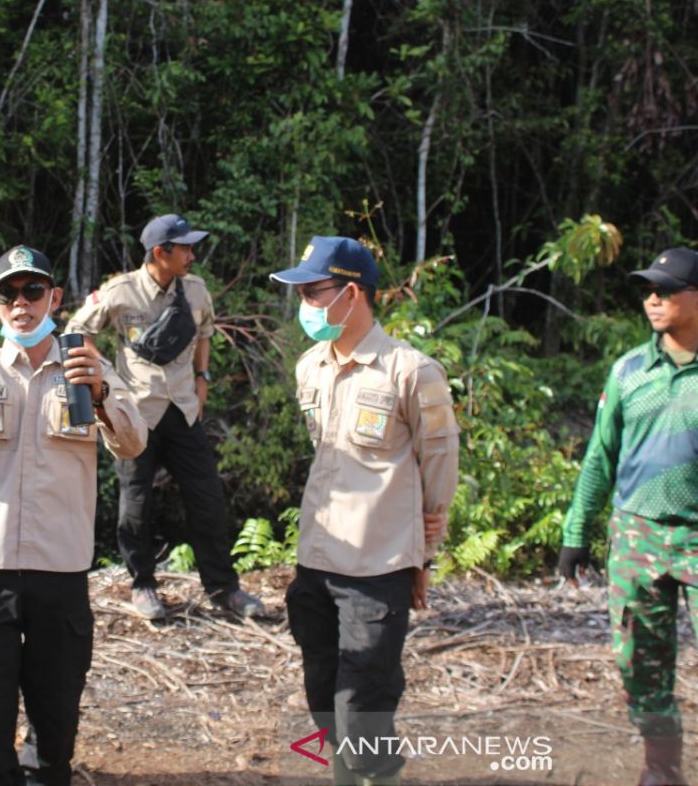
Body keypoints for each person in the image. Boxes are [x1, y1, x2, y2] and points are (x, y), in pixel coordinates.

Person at [0, 245, 147, 786]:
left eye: (33, 291)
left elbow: (133, 444)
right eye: (9, 295)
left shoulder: (89, 366)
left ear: (54, 298)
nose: (22, 304)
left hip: (60, 571)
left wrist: (103, 393)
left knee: (55, 718)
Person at [271, 236, 459, 786]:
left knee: (364, 704)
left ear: (352, 293)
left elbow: (439, 462)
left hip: (378, 568)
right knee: (322, 692)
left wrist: (424, 554)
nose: (305, 305)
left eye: (313, 292)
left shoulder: (411, 371)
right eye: (301, 293)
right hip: (317, 559)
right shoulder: (311, 367)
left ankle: (377, 776)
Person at [63, 213, 264, 620]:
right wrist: (101, 378)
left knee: (207, 499)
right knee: (135, 504)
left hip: (184, 409)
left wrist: (203, 379)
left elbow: (205, 331)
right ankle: (143, 585)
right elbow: (76, 328)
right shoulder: (121, 292)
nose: (192, 254)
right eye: (185, 247)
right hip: (136, 413)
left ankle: (224, 589)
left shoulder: (195, 290)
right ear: (161, 252)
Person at [558, 247, 698, 786]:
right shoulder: (629, 371)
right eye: (647, 290)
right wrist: (577, 532)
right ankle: (661, 768)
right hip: (637, 536)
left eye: (665, 289)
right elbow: (600, 455)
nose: (653, 299)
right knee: (640, 662)